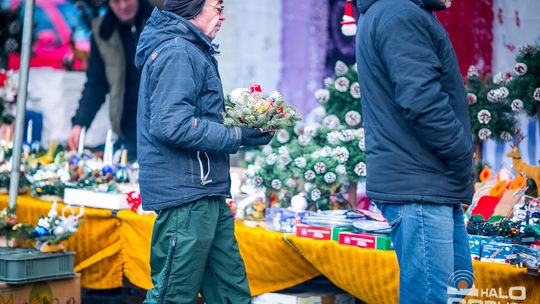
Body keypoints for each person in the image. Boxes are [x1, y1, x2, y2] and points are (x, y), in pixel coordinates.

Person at [134, 0, 273, 303]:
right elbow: (171, 125)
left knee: (230, 293)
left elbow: (194, 116)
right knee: (172, 296)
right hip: (187, 198)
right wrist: (236, 135)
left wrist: (246, 123)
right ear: (192, 8)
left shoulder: (191, 49)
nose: (223, 16)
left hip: (205, 193)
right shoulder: (178, 52)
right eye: (217, 7)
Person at [356, 0, 473, 303]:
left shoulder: (397, 11)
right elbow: (422, 101)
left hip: (428, 182)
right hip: (421, 185)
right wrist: (461, 152)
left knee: (452, 295)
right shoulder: (400, 13)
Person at [69, 0, 153, 161]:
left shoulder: (160, 22)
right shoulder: (102, 31)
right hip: (128, 130)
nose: (122, 6)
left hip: (160, 129)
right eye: (115, 1)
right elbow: (96, 83)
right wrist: (80, 123)